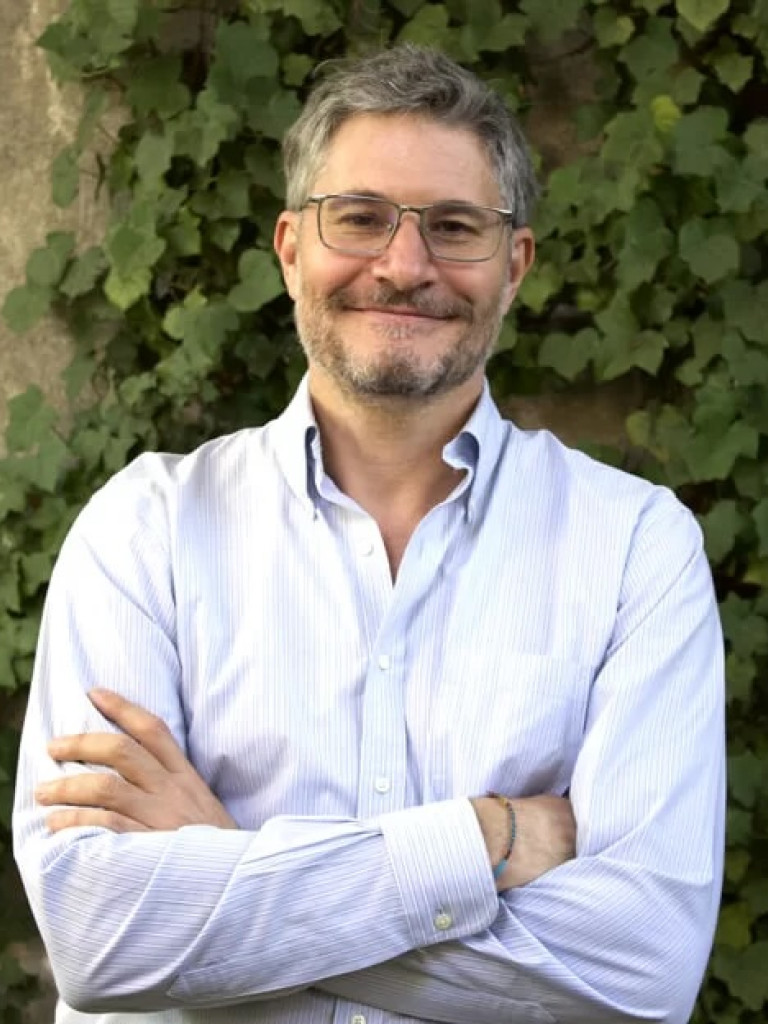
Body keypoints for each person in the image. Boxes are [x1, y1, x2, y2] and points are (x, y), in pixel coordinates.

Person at [14, 43, 725, 1024]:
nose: (404, 264)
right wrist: (482, 837)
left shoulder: (635, 546)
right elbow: (99, 934)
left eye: (454, 226)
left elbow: (639, 973)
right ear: (290, 248)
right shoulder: (143, 533)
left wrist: (228, 872)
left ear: (512, 266)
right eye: (359, 218)